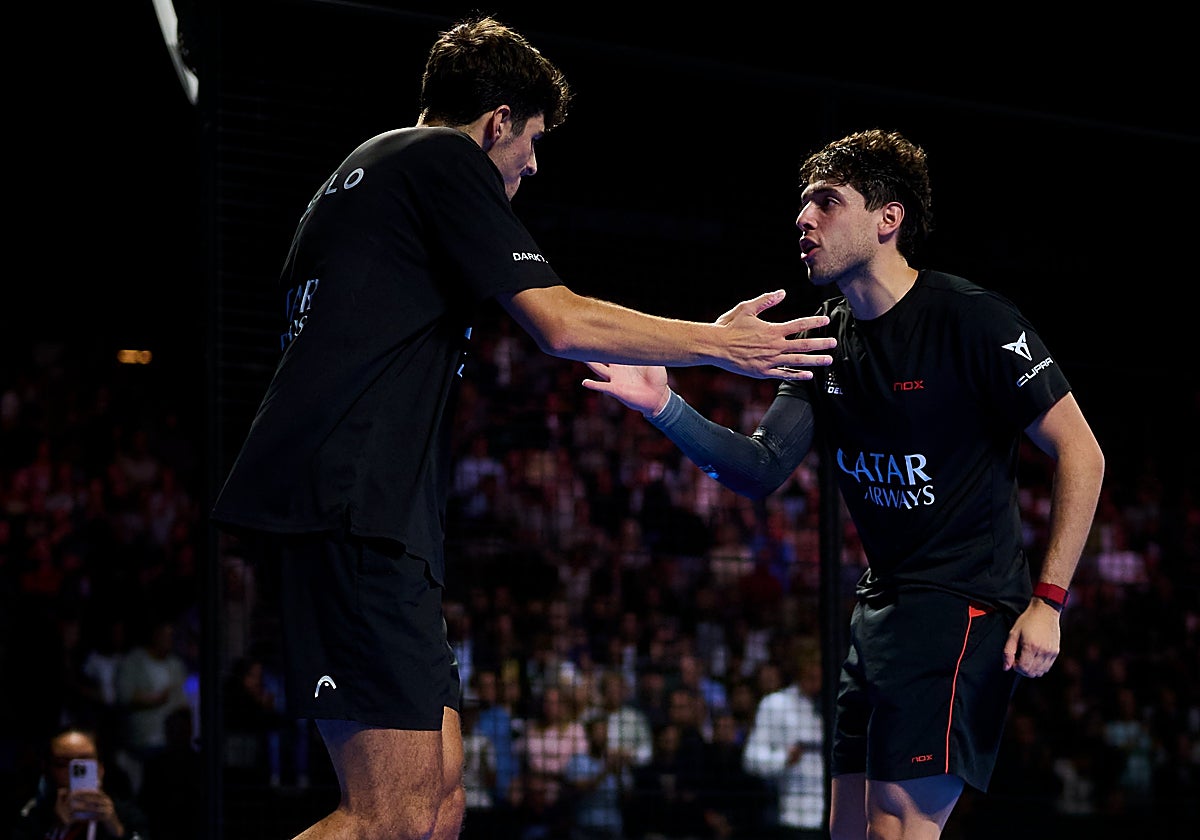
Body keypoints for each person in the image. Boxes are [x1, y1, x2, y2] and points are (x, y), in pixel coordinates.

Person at [207, 16, 836, 840]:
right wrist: (721, 345)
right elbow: (561, 322)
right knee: (388, 818)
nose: (534, 162)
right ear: (497, 119)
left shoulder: (371, 175)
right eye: (532, 137)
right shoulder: (440, 157)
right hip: (348, 508)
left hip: (382, 518)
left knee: (438, 810)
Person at [582, 127, 1106, 839]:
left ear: (888, 219)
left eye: (826, 202)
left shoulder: (973, 320)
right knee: (848, 830)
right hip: (880, 607)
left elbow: (1082, 452)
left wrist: (1048, 600)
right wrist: (665, 407)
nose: (803, 219)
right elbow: (759, 468)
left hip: (964, 605)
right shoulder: (826, 340)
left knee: (897, 828)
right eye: (803, 205)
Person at [741, 637, 826, 837]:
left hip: (836, 816)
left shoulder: (836, 706)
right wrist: (784, 759)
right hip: (794, 817)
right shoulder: (776, 704)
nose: (816, 681)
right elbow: (751, 759)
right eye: (810, 675)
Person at [11, 725, 151, 840]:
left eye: (84, 764)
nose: (74, 772)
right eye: (62, 764)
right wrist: (56, 831)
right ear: (47, 770)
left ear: (100, 768)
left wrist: (117, 831)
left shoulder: (127, 813)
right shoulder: (32, 815)